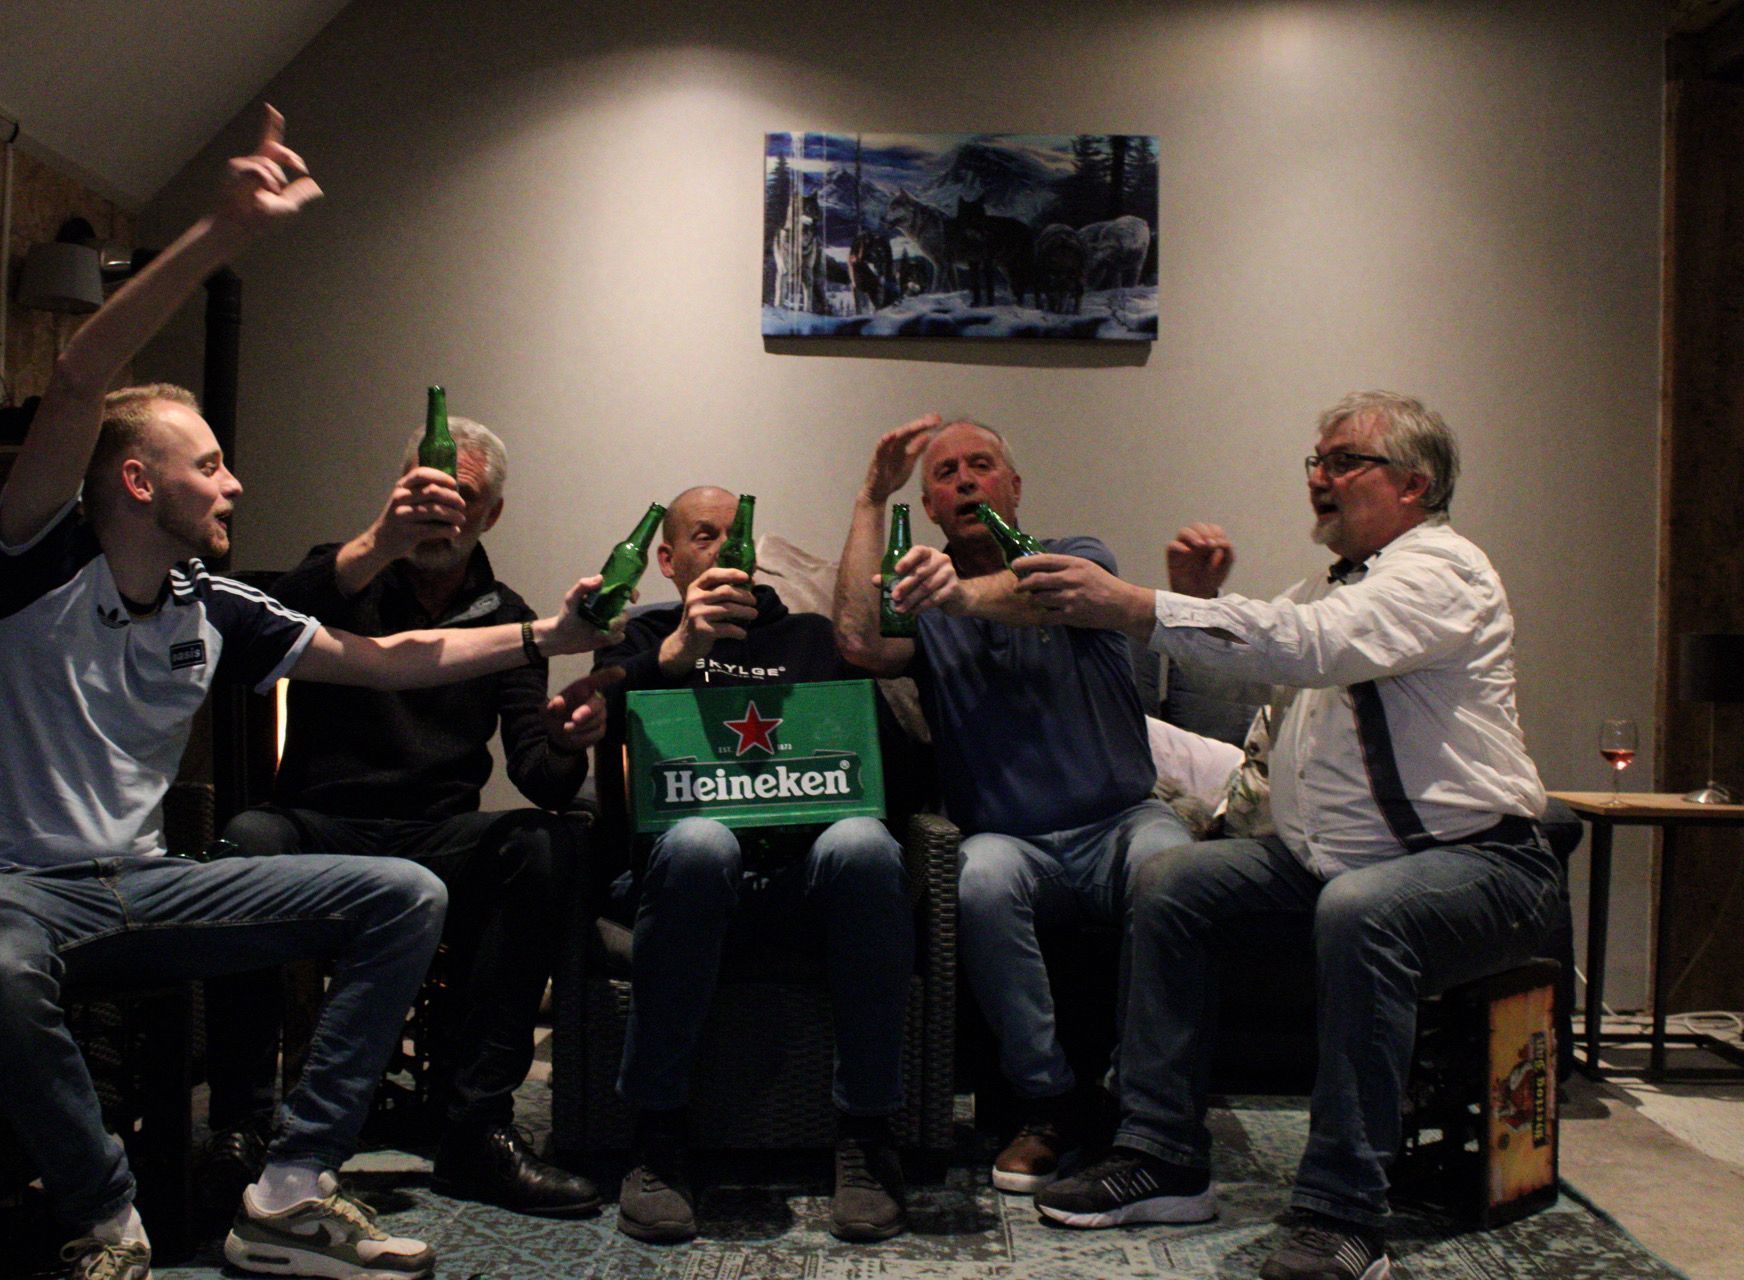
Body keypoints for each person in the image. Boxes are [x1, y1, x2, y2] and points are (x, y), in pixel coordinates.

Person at [0, 109, 616, 1280]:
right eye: (208, 463)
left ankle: (288, 1191)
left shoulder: (213, 605)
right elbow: (80, 373)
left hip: (145, 882)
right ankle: (108, 1218)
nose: (234, 480)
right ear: (137, 481)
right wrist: (220, 232)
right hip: (8, 887)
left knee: (404, 894)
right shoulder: (37, 565)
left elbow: (391, 655)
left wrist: (549, 634)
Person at [1006, 392, 1558, 1280]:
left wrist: (1134, 604)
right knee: (1173, 883)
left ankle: (1345, 1214)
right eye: (1316, 461)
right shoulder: (1336, 586)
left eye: (1343, 461)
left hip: (1482, 866)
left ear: (1414, 484)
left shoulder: (1442, 573)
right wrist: (1200, 602)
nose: (1318, 478)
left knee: (1362, 910)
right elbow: (1280, 651)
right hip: (1340, 865)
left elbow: (1308, 645)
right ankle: (1161, 1154)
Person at [203, 417, 606, 1218]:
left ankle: (476, 1130)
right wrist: (379, 541)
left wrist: (566, 743)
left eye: (464, 499)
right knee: (246, 841)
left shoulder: (508, 613)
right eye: (428, 492)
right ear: (400, 489)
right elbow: (265, 621)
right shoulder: (343, 576)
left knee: (544, 843)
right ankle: (240, 1128)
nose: (443, 515)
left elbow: (538, 774)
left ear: (492, 514)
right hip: (320, 821)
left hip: (434, 836)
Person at [834, 415, 1193, 1194]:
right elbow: (860, 642)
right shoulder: (924, 602)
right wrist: (871, 498)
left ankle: (1147, 1107)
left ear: (1015, 486)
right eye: (945, 473)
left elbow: (1044, 598)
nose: (965, 479)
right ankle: (1049, 1102)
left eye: (982, 464)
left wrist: (958, 597)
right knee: (978, 878)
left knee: (1173, 867)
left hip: (1122, 823)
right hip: (1011, 842)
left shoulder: (1081, 560)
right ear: (932, 506)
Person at [598, 486, 914, 1244]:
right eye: (703, 537)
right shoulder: (638, 638)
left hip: (803, 878)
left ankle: (867, 1132)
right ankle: (658, 1133)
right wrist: (675, 655)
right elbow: (592, 753)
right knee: (702, 842)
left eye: (733, 535)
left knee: (865, 846)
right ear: (668, 560)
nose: (724, 551)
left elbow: (881, 769)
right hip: (685, 881)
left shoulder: (810, 637)